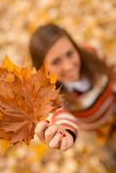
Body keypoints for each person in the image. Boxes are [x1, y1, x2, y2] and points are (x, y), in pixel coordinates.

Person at [29, 23, 116, 151]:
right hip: (97, 131)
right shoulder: (54, 95)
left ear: (75, 48)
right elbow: (62, 116)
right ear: (44, 70)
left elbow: (110, 69)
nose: (69, 66)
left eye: (70, 54)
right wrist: (65, 131)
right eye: (56, 62)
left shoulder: (92, 53)